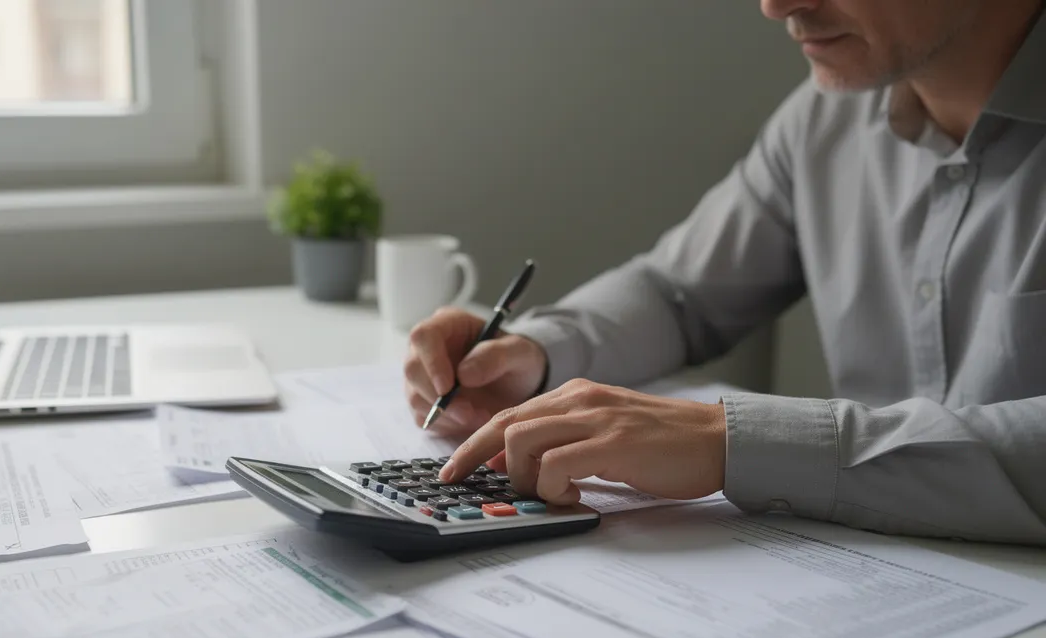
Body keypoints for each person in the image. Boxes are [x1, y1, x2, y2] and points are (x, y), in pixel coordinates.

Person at [406, 0, 1046, 544]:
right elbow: (679, 292)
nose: (775, 4)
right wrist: (534, 354)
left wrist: (739, 443)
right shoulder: (825, 120)